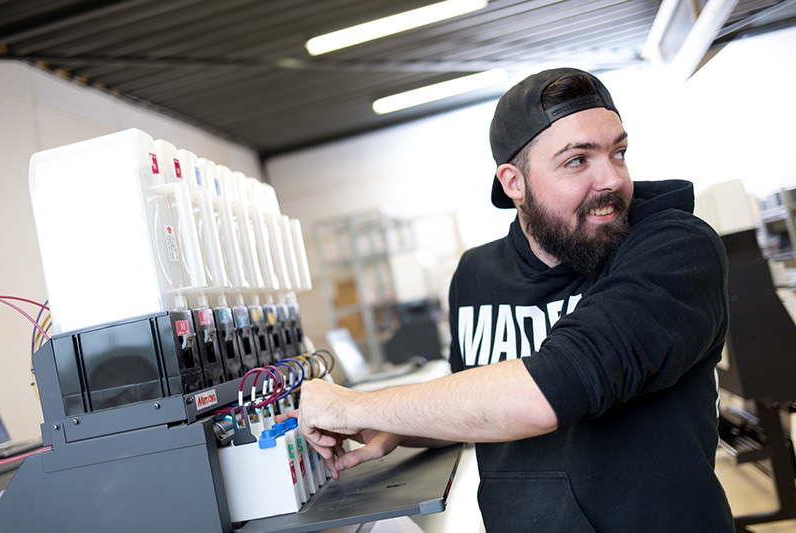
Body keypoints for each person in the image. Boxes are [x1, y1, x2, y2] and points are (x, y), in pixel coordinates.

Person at [288, 68, 734, 531]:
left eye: (618, 153)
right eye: (577, 160)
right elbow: (477, 408)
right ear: (513, 183)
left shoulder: (675, 249)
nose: (612, 179)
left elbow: (550, 389)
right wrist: (397, 425)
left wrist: (356, 406)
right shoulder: (476, 274)